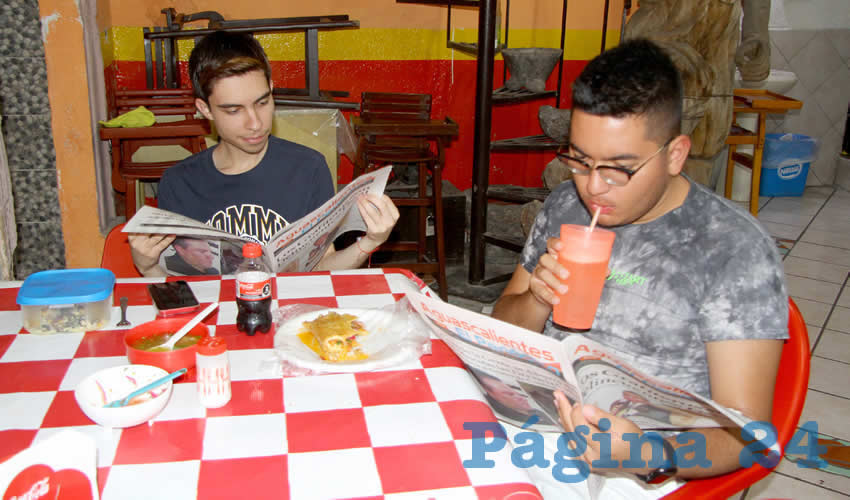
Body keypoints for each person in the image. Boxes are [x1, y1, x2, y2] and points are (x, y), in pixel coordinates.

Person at [491, 39, 788, 495]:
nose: (594, 187)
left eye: (619, 169)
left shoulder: (733, 250)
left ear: (675, 154)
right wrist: (535, 298)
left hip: (643, 461)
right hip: (539, 421)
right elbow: (506, 327)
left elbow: (748, 436)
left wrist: (649, 454)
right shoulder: (564, 207)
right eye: (580, 160)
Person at [129, 31, 399, 277]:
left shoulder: (307, 168)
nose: (255, 122)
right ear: (206, 109)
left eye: (262, 102)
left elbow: (319, 268)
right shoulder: (180, 183)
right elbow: (178, 292)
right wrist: (148, 266)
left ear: (271, 88)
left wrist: (370, 242)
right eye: (234, 110)